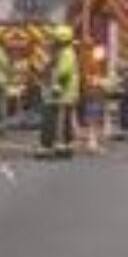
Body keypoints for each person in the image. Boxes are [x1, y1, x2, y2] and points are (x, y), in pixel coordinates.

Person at [40, 24, 81, 160]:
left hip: (62, 93)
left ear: (60, 39)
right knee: (64, 121)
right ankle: (64, 148)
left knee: (53, 120)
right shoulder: (64, 52)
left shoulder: (66, 53)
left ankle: (50, 148)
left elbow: (63, 73)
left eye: (55, 38)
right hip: (64, 93)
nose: (52, 41)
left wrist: (56, 88)